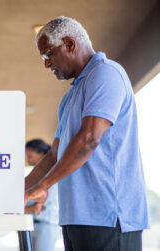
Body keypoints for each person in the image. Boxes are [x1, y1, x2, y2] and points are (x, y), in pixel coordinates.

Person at [25, 16, 149, 251]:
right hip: (75, 217)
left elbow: (89, 139)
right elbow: (53, 155)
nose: (46, 63)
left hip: (109, 216)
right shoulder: (70, 97)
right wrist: (21, 189)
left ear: (70, 44)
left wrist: (43, 186)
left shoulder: (106, 74)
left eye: (48, 54)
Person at [25, 139, 60, 251]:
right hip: (32, 224)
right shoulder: (34, 175)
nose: (28, 159)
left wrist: (20, 209)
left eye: (30, 155)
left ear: (41, 154)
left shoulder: (51, 175)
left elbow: (43, 205)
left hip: (46, 225)